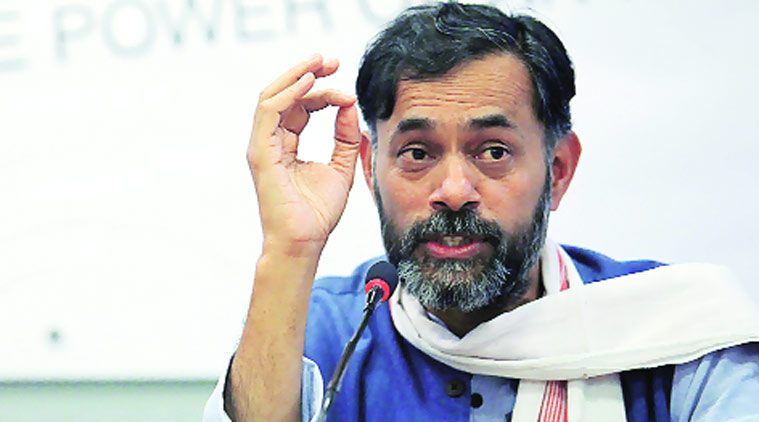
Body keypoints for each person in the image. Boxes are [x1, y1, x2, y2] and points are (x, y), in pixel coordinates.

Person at [204, 2, 759, 421]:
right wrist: (290, 249)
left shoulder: (678, 332)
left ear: (558, 170)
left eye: (493, 152)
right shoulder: (327, 331)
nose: (453, 191)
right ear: (370, 169)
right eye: (416, 153)